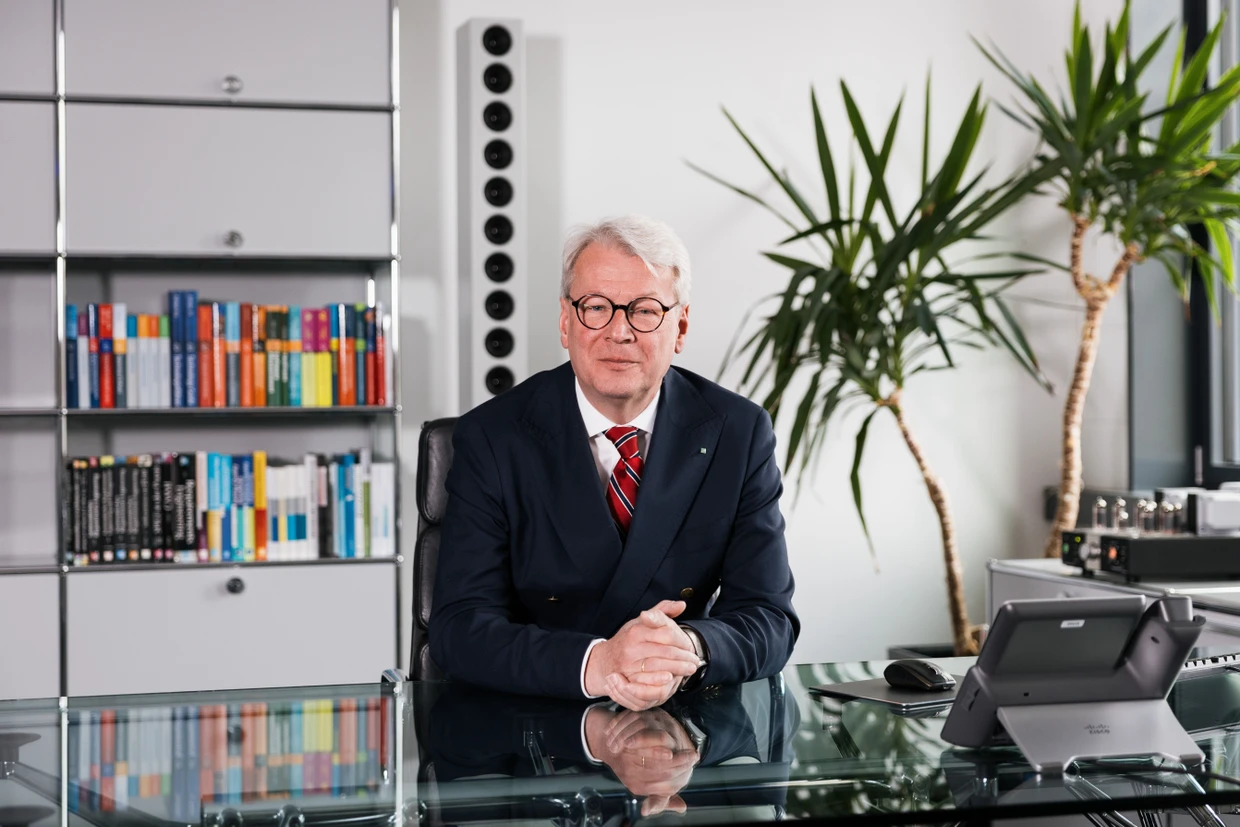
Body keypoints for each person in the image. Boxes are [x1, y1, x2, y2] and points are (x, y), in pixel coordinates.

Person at [429, 214, 799, 709]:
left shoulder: (739, 432)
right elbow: (460, 628)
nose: (618, 332)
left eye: (645, 311)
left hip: (684, 729)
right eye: (596, 307)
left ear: (680, 325)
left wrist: (688, 649)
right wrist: (599, 662)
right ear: (566, 321)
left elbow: (768, 616)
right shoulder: (493, 438)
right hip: (536, 734)